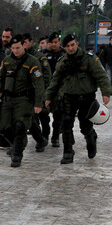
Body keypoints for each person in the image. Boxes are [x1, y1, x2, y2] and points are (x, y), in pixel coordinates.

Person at [45, 34, 112, 164]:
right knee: (66, 125)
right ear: (64, 47)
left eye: (73, 45)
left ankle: (91, 138)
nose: (71, 48)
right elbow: (55, 81)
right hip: (68, 97)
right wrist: (48, 97)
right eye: (68, 46)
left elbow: (101, 76)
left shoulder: (89, 59)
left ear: (77, 44)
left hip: (86, 97)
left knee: (85, 125)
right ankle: (68, 152)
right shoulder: (62, 62)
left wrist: (106, 93)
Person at [0, 34, 44, 167]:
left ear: (24, 45)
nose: (15, 50)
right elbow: (0, 79)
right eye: (13, 48)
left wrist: (38, 103)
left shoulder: (32, 62)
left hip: (23, 99)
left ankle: (17, 154)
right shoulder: (7, 61)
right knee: (4, 127)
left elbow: (39, 83)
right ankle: (18, 144)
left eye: (18, 47)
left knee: (20, 125)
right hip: (8, 98)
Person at [23, 33, 51, 152]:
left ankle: (44, 138)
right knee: (31, 118)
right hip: (28, 93)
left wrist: (42, 89)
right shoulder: (21, 57)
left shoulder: (39, 57)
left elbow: (46, 75)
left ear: (31, 42)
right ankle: (39, 139)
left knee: (44, 117)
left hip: (40, 92)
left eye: (25, 42)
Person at [44, 32, 65, 147]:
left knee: (58, 114)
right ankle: (44, 135)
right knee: (43, 114)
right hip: (46, 87)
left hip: (59, 89)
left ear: (59, 42)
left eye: (55, 42)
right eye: (51, 42)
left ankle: (55, 137)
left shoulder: (64, 54)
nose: (53, 45)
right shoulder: (43, 54)